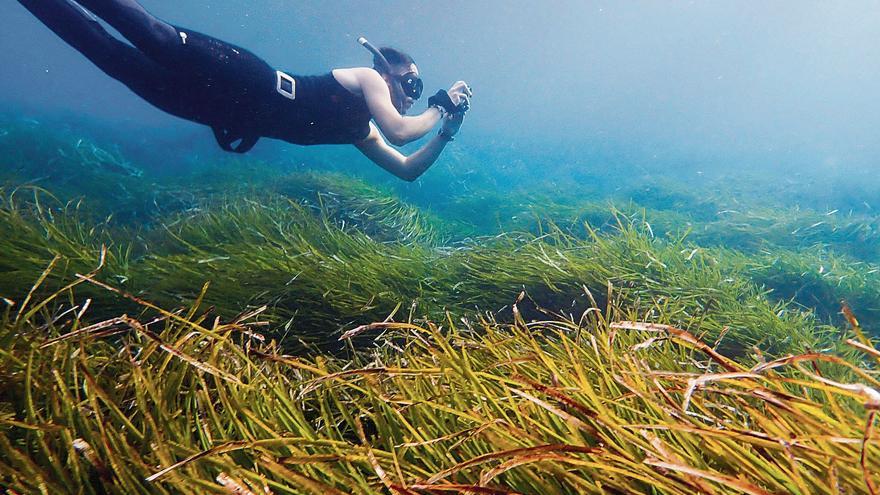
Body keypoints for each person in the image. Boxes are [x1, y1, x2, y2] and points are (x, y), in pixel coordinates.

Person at [16, 0, 473, 181]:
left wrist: (446, 130)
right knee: (152, 36)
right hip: (244, 78)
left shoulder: (358, 131)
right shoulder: (367, 77)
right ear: (387, 72)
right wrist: (440, 103)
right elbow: (400, 130)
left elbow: (408, 168)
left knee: (108, 56)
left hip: (214, 109)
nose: (413, 94)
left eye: (418, 88)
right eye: (411, 83)